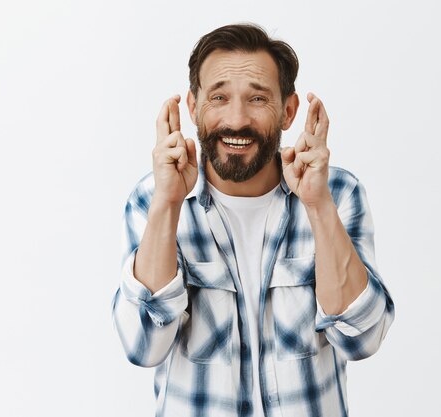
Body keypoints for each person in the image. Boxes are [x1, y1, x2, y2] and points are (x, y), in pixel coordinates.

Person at [112, 23, 394, 417]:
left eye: (258, 98)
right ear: (193, 108)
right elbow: (142, 347)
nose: (237, 118)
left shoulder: (338, 194)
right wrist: (168, 205)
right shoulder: (154, 199)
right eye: (219, 97)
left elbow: (362, 339)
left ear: (288, 111)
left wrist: (317, 205)